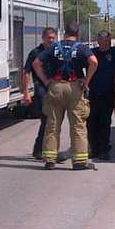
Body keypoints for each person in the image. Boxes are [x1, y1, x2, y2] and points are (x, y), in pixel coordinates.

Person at [33, 23, 98, 171]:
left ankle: (50, 160)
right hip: (75, 87)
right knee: (78, 125)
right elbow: (94, 62)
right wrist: (86, 81)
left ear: (64, 33)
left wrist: (46, 81)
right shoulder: (82, 48)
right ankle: (79, 161)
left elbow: (36, 63)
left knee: (52, 125)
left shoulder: (54, 47)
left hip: (56, 87)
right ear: (77, 34)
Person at [21, 27, 58, 160]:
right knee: (47, 119)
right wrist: (26, 93)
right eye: (49, 38)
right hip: (41, 88)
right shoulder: (35, 53)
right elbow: (26, 72)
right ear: (43, 38)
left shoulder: (56, 52)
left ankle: (42, 149)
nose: (51, 40)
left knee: (52, 120)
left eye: (53, 38)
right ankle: (42, 150)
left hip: (54, 88)